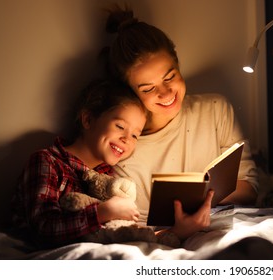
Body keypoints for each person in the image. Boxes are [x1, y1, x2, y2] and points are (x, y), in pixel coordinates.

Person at [104, 5, 259, 241]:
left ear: (178, 64)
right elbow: (138, 232)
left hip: (226, 226)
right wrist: (179, 230)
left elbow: (249, 188)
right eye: (149, 88)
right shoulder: (125, 148)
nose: (166, 93)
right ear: (131, 92)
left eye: (170, 77)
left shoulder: (215, 109)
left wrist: (204, 198)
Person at [10, 79, 150, 248]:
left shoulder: (108, 179)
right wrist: (101, 213)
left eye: (135, 135)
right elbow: (43, 229)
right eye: (120, 126)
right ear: (88, 120)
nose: (127, 139)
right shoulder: (46, 162)